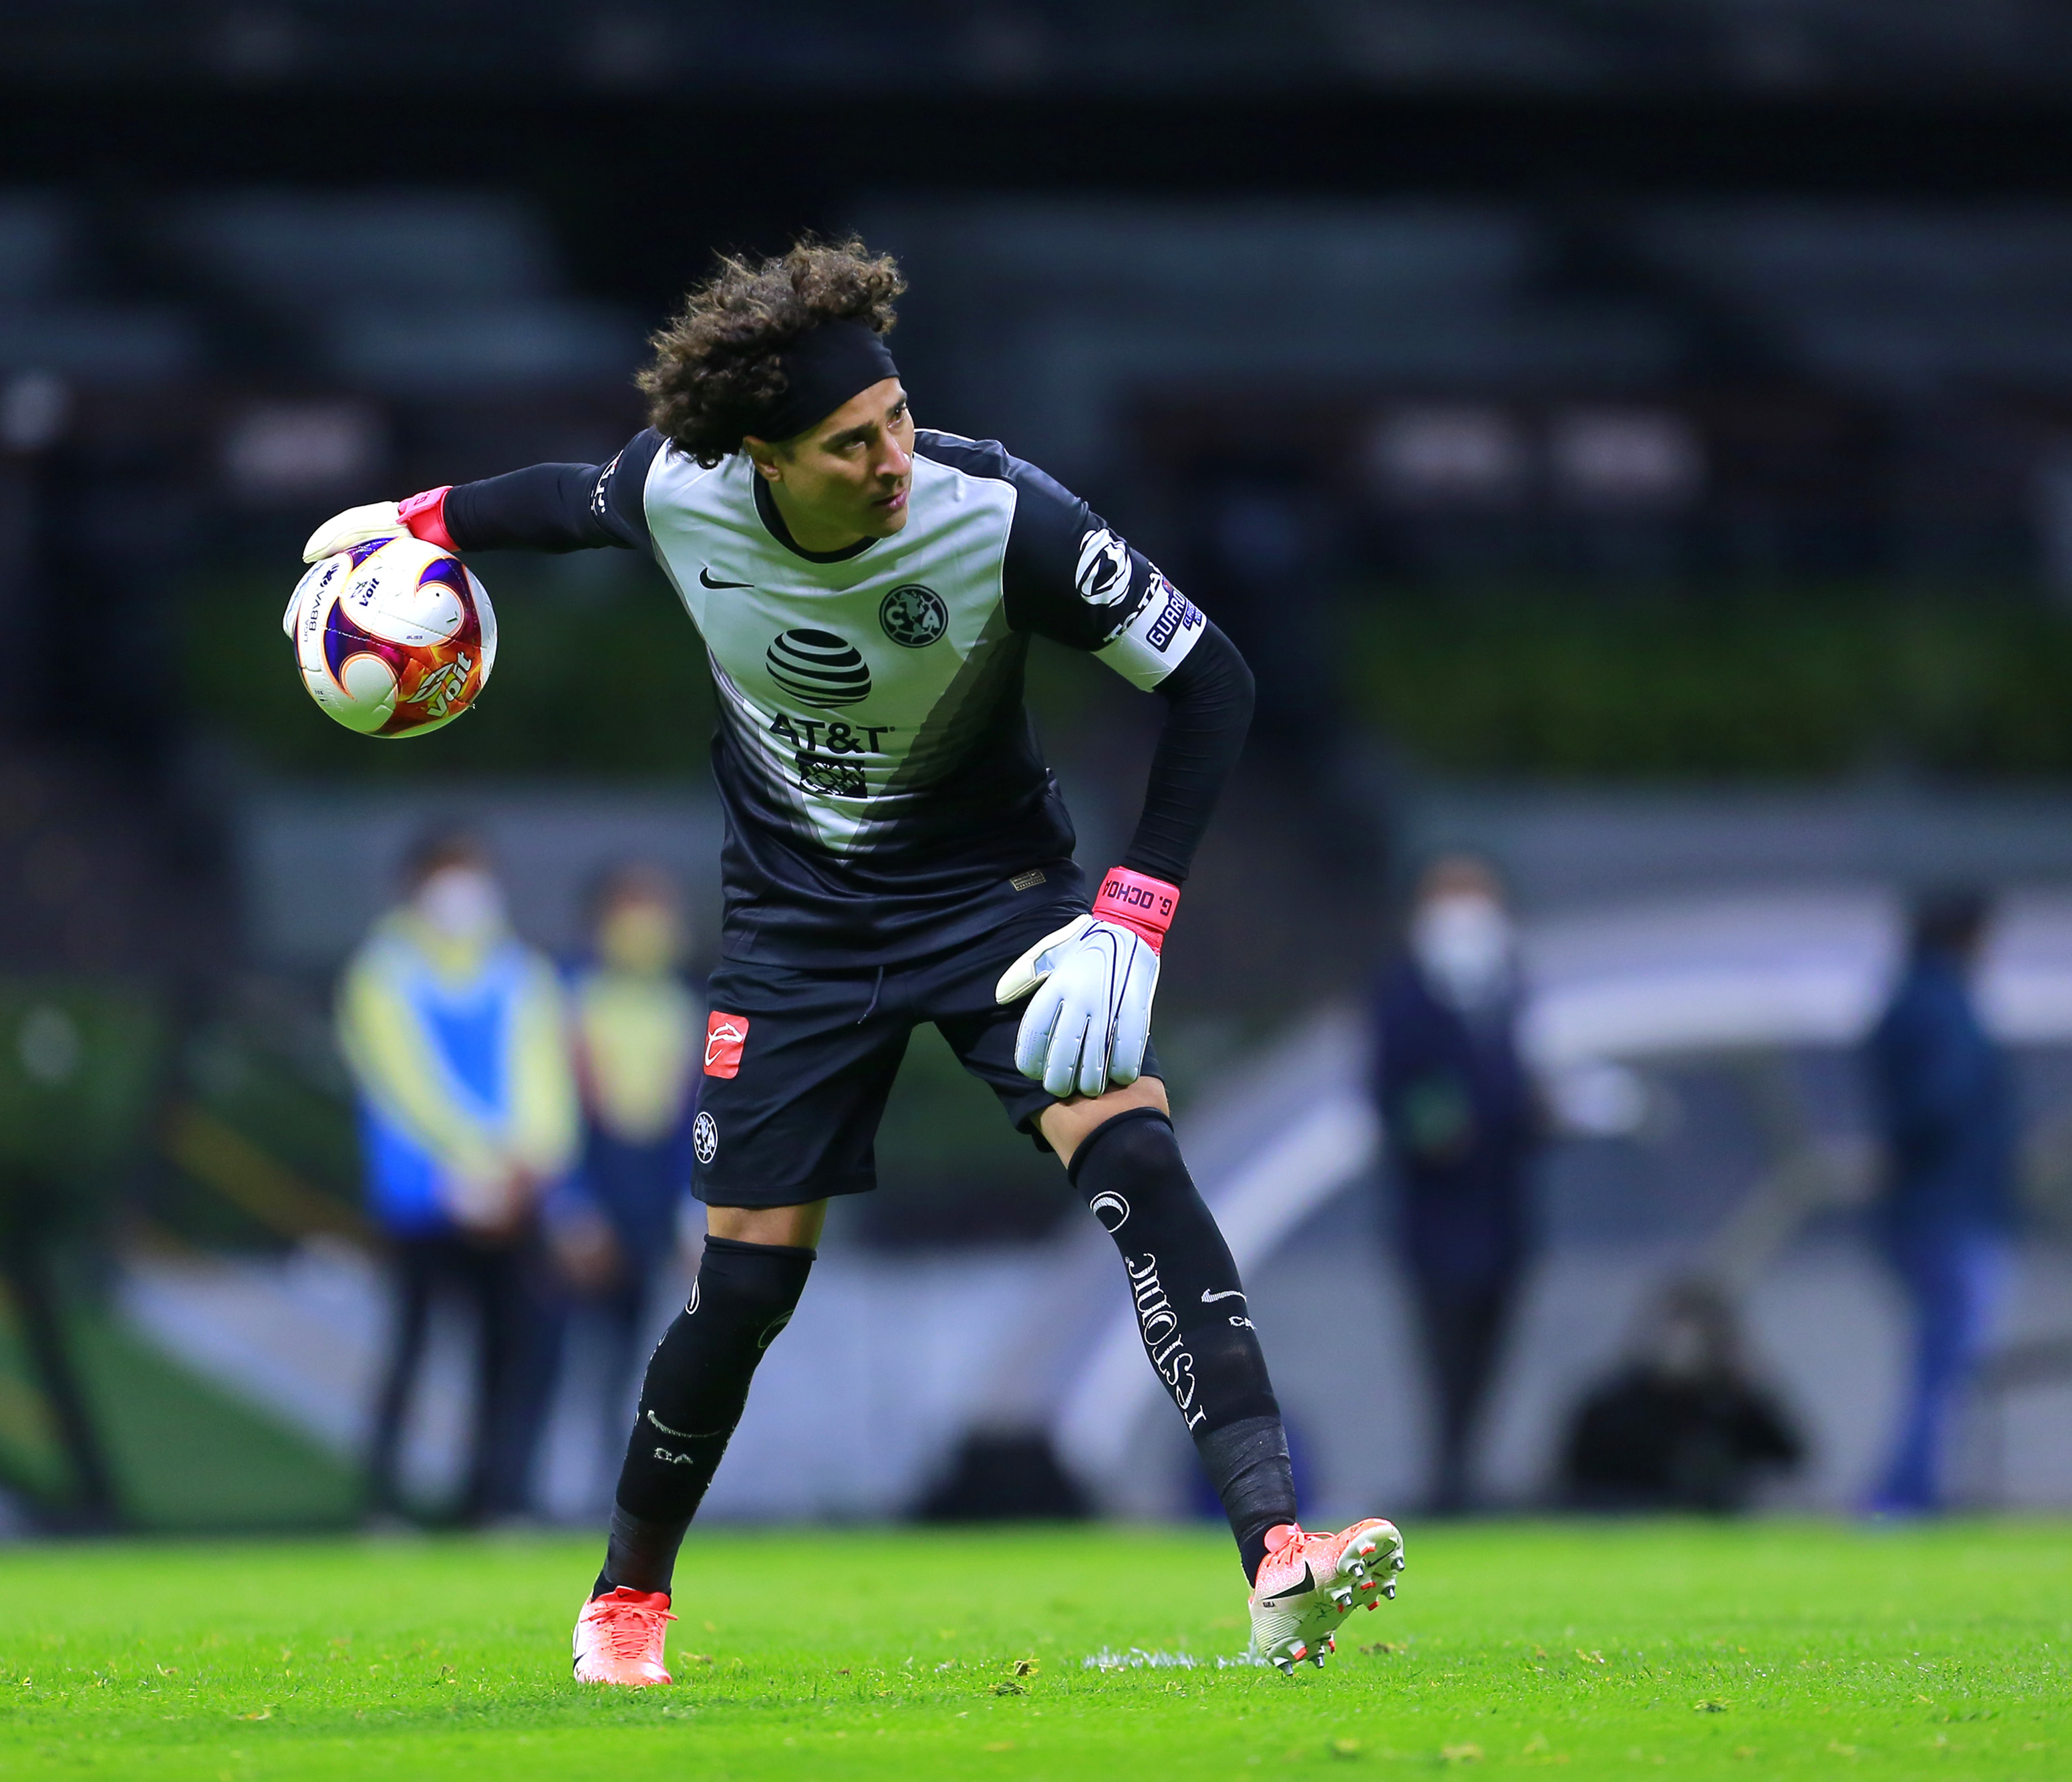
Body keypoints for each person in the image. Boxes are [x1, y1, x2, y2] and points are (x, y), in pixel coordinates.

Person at [297, 237, 1398, 1685]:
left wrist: (1132, 907)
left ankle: (1274, 1554)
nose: (890, 454)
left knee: (1136, 1161)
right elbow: (557, 505)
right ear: (757, 453)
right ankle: (626, 1597)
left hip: (990, 898)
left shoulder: (998, 512)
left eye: (894, 416)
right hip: (795, 934)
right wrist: (412, 518)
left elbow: (1211, 678)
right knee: (746, 1288)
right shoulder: (679, 492)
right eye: (848, 440)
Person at [338, 829, 579, 1525]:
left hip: (514, 1193)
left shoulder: (518, 971)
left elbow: (545, 1080)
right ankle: (382, 1504)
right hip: (421, 1194)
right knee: (413, 1347)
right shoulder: (383, 971)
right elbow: (403, 1082)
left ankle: (495, 1500)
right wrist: (475, 1162)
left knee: (515, 1349)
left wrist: (532, 1163)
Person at [1368, 855, 1540, 1515]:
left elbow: (1516, 1089)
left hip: (1502, 1210)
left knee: (1491, 1346)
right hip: (1435, 1214)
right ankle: (1448, 1476)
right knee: (1443, 1348)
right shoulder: (1402, 993)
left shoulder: (1508, 990)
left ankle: (1464, 1470)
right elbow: (1387, 1095)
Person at [544, 862, 703, 1501]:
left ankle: (613, 1495)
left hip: (648, 1198)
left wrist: (689, 1214)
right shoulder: (565, 998)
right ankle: (525, 1495)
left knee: (635, 1359)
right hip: (586, 1191)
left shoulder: (681, 1005)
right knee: (553, 1353)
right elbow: (552, 1106)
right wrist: (572, 1206)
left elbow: (690, 1117)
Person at [1862, 886, 2016, 1515]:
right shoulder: (1943, 1005)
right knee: (1946, 1359)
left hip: (1930, 1205)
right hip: (1951, 1207)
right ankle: (1905, 1493)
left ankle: (1912, 1488)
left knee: (1942, 1357)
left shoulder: (1905, 999)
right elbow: (1940, 1103)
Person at [1560, 1278, 1803, 1513]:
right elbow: (1576, 1486)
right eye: (1677, 1332)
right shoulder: (1612, 1408)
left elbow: (1790, 1459)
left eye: (1701, 1336)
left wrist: (1747, 1387)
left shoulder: (1731, 1407)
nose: (1686, 1347)